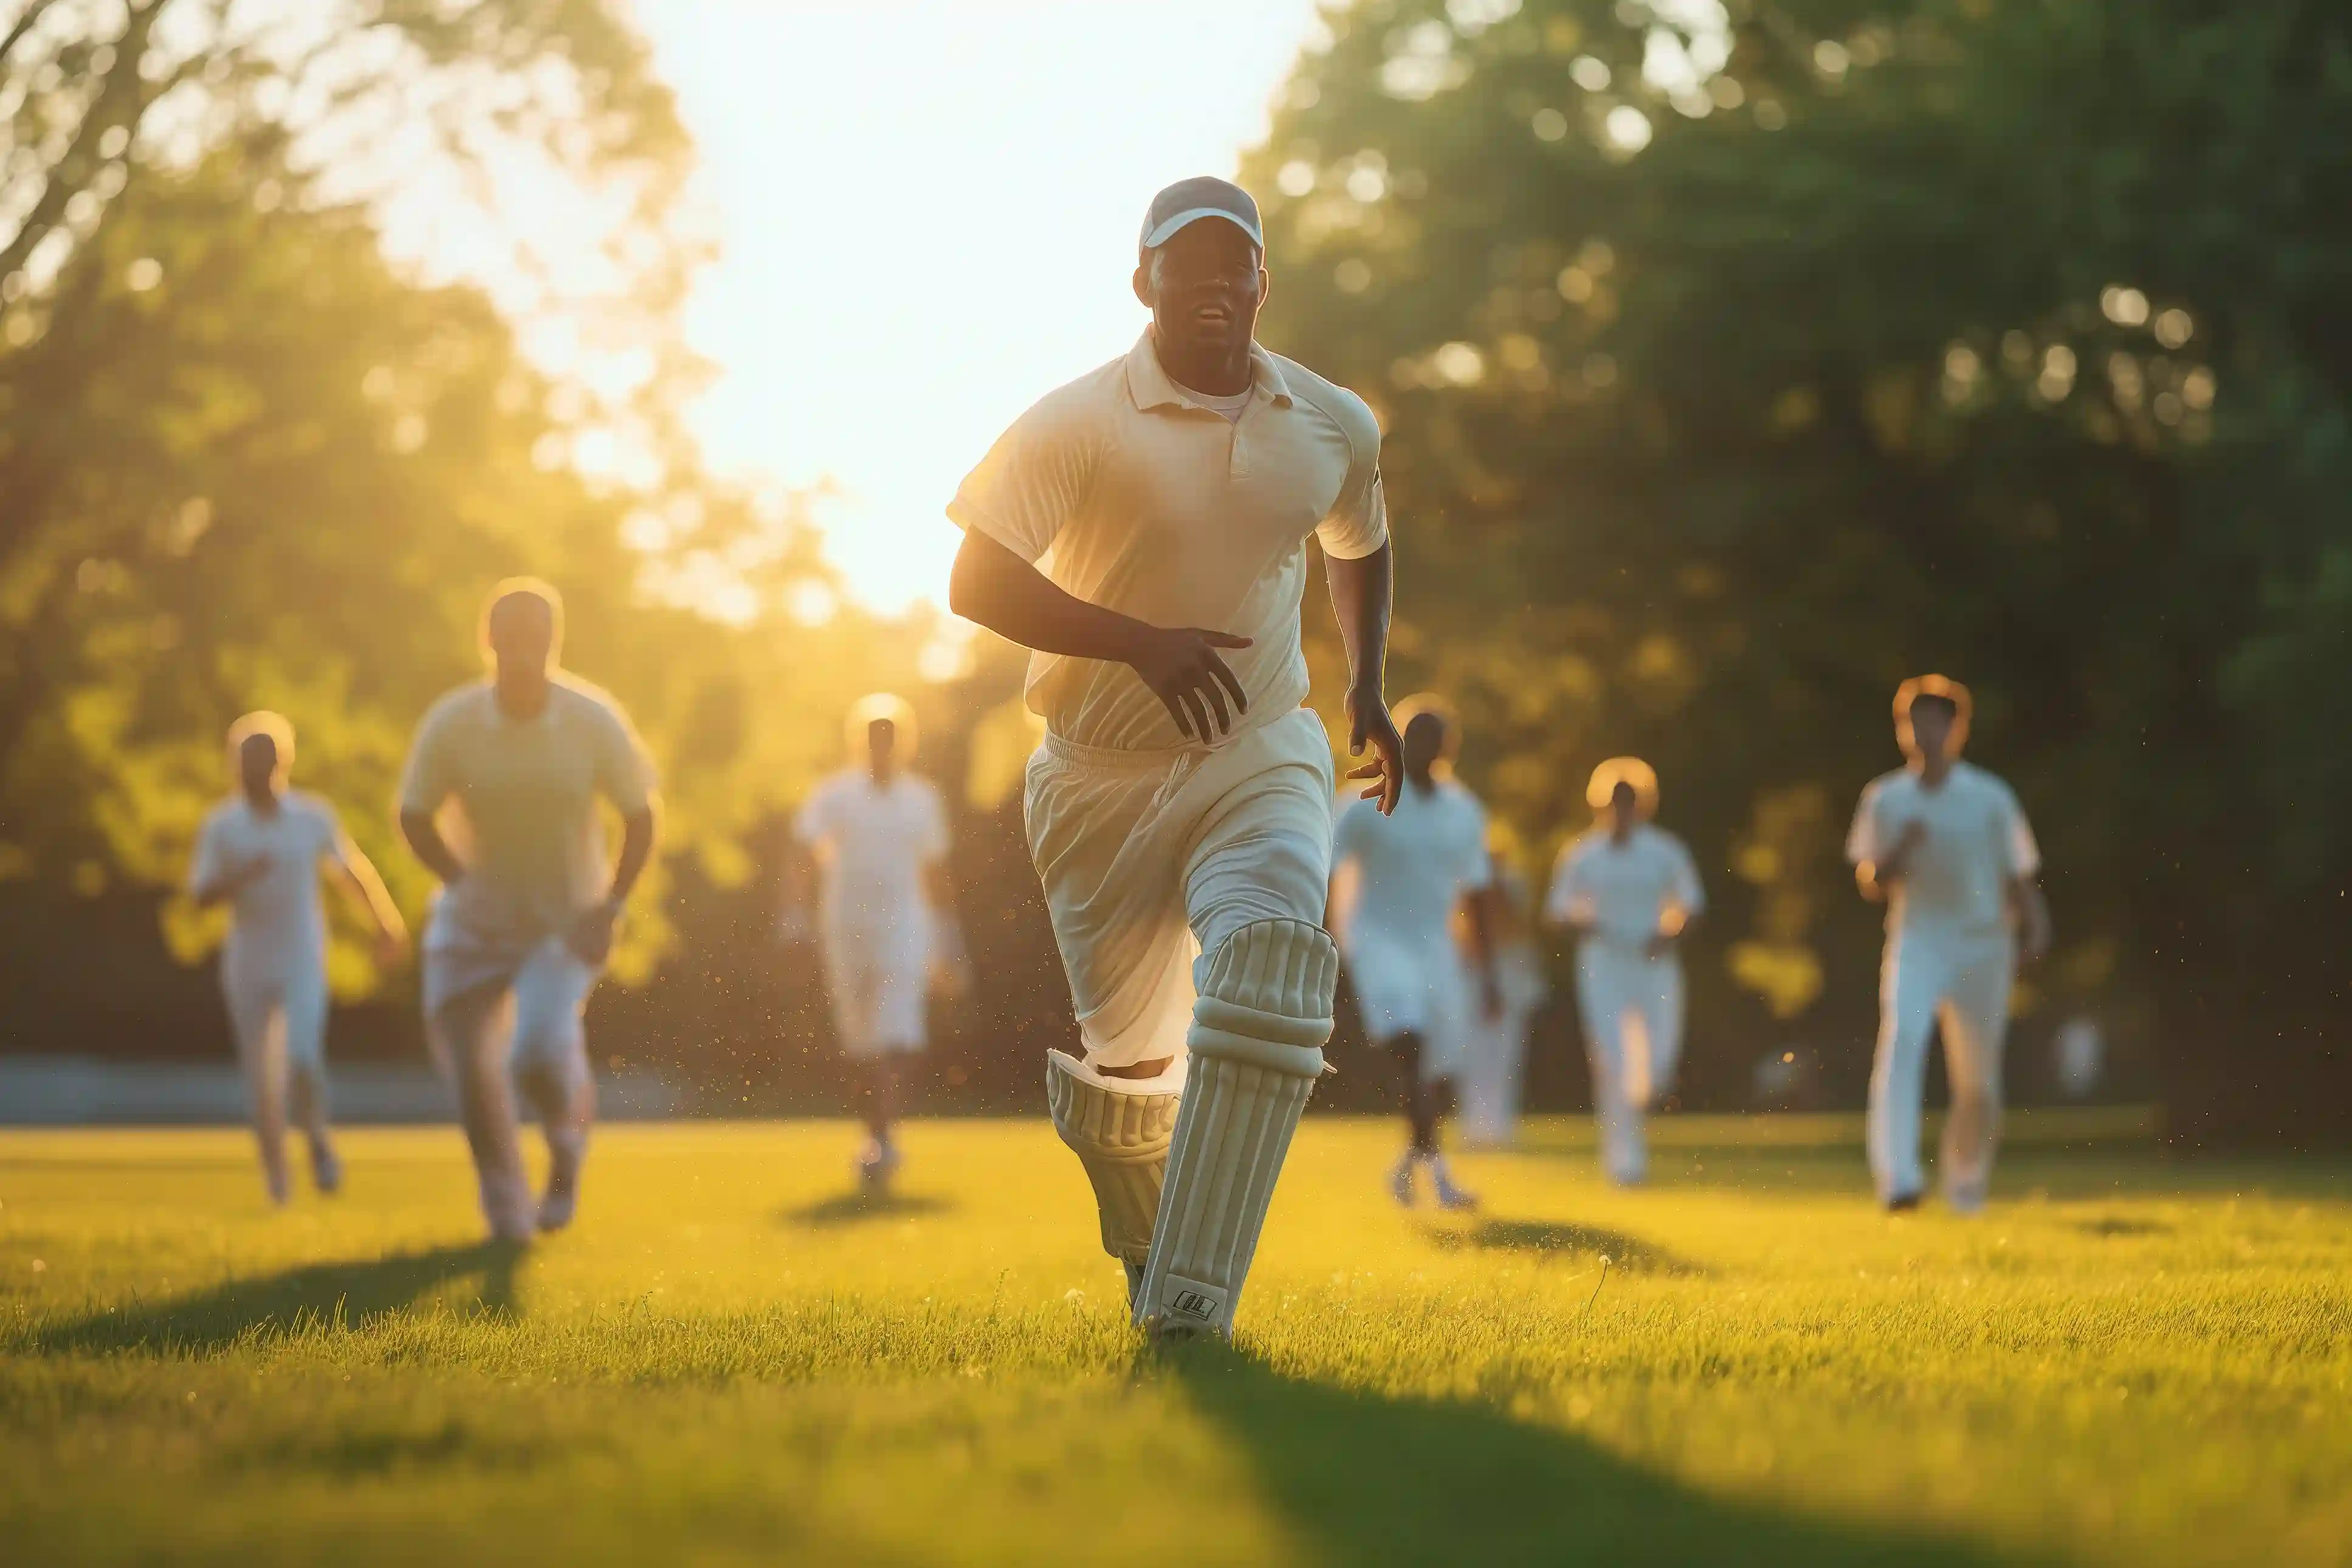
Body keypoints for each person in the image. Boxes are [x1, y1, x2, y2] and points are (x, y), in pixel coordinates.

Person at [946, 175, 1403, 1339]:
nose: (1211, 287)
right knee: (1130, 1088)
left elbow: (1363, 539)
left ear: (1263, 282)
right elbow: (975, 580)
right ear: (1143, 282)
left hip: (1260, 750)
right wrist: (1134, 644)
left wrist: (1367, 686)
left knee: (1267, 960)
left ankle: (1198, 1303)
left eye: (1231, 266)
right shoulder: (1080, 420)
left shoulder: (1328, 421)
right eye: (1184, 267)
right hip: (1097, 774)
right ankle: (1157, 1270)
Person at [397, 580, 659, 1242]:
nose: (522, 651)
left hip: (565, 919)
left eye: (535, 638)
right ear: (488, 641)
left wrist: (611, 907)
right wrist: (460, 882)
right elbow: (413, 814)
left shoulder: (592, 718)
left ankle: (566, 1151)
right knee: (471, 1071)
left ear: (555, 642)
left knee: (537, 1051)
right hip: (474, 917)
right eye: (509, 638)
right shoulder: (453, 721)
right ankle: (507, 1215)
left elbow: (639, 816)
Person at [1846, 675, 2049, 1214]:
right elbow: (1870, 881)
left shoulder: (1989, 796)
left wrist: (2036, 927)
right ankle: (1899, 1180)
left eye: (1936, 722)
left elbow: (2018, 875)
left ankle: (1964, 1184)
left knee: (1978, 1084)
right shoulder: (1885, 798)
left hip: (1985, 946)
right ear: (1902, 729)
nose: (1924, 733)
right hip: (1917, 940)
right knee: (1904, 1039)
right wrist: (1899, 850)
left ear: (1956, 729)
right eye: (1914, 722)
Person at [188, 711, 407, 1203]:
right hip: (247, 963)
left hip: (302, 958)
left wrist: (385, 922)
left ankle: (318, 1142)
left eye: (264, 761)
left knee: (303, 1058)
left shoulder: (313, 816)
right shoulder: (221, 827)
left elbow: (351, 871)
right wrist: (241, 876)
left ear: (282, 763)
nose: (255, 771)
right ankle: (277, 1180)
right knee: (261, 1081)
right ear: (234, 765)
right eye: (246, 762)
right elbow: (200, 896)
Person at [1328, 697, 1497, 1209]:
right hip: (1376, 940)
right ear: (1395, 739)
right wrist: (1316, 946)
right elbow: (1323, 869)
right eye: (1413, 737)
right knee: (1413, 1046)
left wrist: (1487, 972)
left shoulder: (1462, 810)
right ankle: (1441, 1177)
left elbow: (1476, 893)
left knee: (1434, 1070)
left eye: (1434, 739)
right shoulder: (1363, 801)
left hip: (1437, 948)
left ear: (1450, 748)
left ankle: (1409, 1164)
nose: (1423, 748)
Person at [789, 693, 955, 1190]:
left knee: (889, 1034)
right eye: (872, 736)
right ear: (858, 741)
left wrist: (947, 943)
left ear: (904, 743)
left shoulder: (923, 799)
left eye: (890, 737)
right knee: (861, 1043)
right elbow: (801, 851)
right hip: (845, 930)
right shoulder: (834, 794)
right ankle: (875, 1133)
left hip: (905, 929)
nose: (880, 745)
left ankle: (883, 1140)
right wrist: (794, 917)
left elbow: (936, 871)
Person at [1545, 758, 1704, 1186]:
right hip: (1603, 964)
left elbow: (1689, 904)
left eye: (1629, 801)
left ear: (1644, 804)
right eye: (1614, 802)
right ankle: (1625, 1162)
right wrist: (1585, 923)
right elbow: (1558, 910)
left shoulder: (1665, 851)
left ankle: (1641, 1103)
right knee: (1612, 1058)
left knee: (1658, 1061)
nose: (1621, 810)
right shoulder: (1582, 853)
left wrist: (1669, 934)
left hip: (1654, 962)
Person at [1456, 864, 1548, 1150]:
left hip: (1505, 972)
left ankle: (1494, 1126)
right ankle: (1480, 1127)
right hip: (1480, 974)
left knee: (1502, 1055)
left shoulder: (1511, 881)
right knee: (1482, 1054)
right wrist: (1488, 981)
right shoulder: (1471, 885)